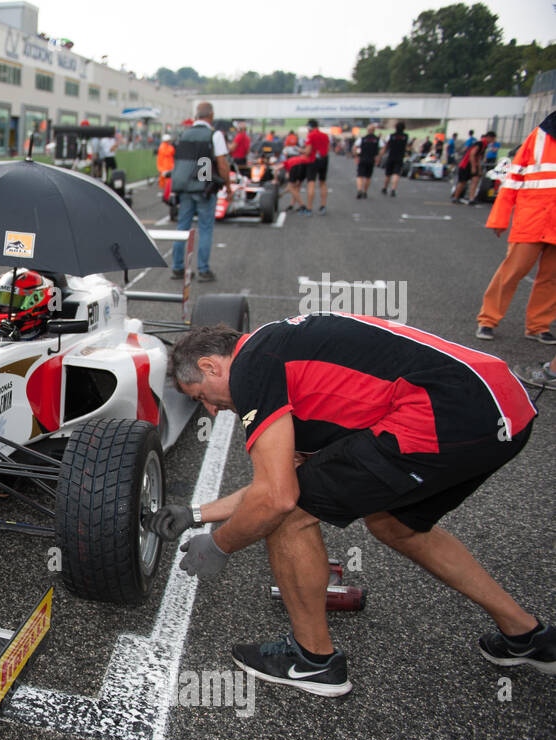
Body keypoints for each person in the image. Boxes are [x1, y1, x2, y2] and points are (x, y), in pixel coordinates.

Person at [153, 315, 546, 696]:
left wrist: (220, 545)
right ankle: (525, 633)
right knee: (395, 525)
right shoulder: (290, 358)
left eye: (202, 396)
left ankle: (312, 660)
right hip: (501, 406)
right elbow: (280, 480)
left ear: (210, 365)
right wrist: (196, 514)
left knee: (289, 518)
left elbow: (278, 498)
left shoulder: (253, 365)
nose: (212, 410)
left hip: (441, 413)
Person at [474, 111, 556, 345]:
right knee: (511, 272)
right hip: (532, 219)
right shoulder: (539, 136)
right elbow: (513, 179)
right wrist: (499, 217)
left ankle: (539, 325)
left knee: (551, 279)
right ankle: (488, 320)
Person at [169, 101, 231, 282]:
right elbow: (221, 163)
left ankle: (178, 267)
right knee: (205, 228)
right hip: (204, 186)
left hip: (184, 187)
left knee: (182, 227)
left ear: (196, 116)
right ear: (211, 116)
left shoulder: (184, 134)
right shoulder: (214, 135)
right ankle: (203, 269)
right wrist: (227, 185)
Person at [452, 131, 494, 204]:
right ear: (489, 137)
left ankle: (471, 198)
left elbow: (478, 158)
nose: (493, 141)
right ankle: (455, 197)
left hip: (474, 164)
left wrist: (479, 169)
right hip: (466, 164)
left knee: (475, 180)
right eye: (492, 139)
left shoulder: (485, 145)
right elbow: (472, 155)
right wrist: (473, 168)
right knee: (462, 182)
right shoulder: (480, 143)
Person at [303, 118, 329, 215]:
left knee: (311, 183)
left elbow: (308, 151)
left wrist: (302, 151)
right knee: (322, 182)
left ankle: (309, 208)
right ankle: (323, 206)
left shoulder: (310, 135)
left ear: (310, 126)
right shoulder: (325, 136)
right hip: (324, 159)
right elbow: (327, 148)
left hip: (313, 160)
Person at [376, 120, 409, 197]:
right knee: (396, 173)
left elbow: (386, 146)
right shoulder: (405, 136)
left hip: (391, 156)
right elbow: (407, 146)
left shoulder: (391, 136)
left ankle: (385, 187)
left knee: (388, 174)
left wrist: (380, 156)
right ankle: (393, 189)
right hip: (400, 157)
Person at [354, 124, 380, 199]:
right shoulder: (377, 139)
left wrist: (356, 156)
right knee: (368, 177)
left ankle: (359, 189)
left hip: (362, 158)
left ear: (367, 130)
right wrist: (378, 157)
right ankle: (365, 191)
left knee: (360, 175)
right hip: (371, 159)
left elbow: (355, 147)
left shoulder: (362, 139)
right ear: (374, 130)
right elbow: (382, 148)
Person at [156, 133, 176, 207]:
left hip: (165, 167)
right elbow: (171, 152)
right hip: (166, 167)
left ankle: (166, 194)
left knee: (165, 182)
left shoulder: (164, 147)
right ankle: (166, 195)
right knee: (166, 182)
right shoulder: (165, 147)